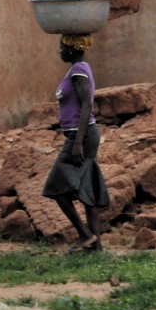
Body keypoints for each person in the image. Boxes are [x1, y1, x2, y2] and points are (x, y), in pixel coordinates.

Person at [42, 33, 110, 251]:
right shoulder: (78, 69)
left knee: (55, 187)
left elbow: (86, 106)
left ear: (71, 48)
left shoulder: (79, 70)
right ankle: (96, 246)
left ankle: (85, 235)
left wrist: (78, 142)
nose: (60, 51)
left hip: (81, 136)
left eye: (62, 47)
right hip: (83, 135)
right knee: (87, 190)